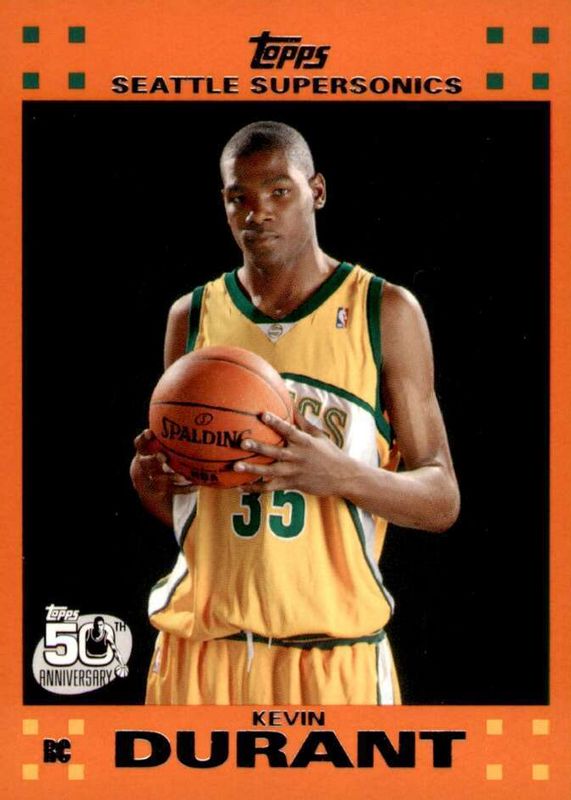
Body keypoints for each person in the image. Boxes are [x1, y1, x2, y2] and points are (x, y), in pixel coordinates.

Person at [130, 120, 460, 705]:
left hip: (332, 660)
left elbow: (441, 500)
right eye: (240, 197)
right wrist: (154, 482)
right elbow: (199, 511)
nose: (258, 212)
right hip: (200, 654)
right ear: (225, 203)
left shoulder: (383, 311)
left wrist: (340, 474)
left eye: (279, 191)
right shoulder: (192, 315)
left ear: (317, 191)